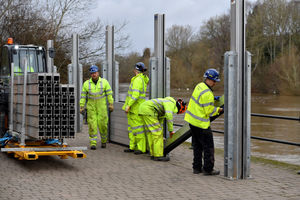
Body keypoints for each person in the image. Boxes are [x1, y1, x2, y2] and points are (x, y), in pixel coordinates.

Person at [184, 68, 223, 175]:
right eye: (214, 81)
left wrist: (213, 98)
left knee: (197, 146)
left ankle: (196, 168)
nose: (215, 83)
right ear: (208, 79)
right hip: (202, 125)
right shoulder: (208, 94)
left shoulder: (199, 86)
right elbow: (209, 111)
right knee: (208, 147)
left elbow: (201, 98)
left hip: (192, 122)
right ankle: (208, 169)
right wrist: (218, 110)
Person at [139, 97, 187, 161]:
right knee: (157, 134)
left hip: (143, 109)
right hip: (149, 111)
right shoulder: (170, 104)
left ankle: (153, 154)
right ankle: (157, 155)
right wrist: (171, 131)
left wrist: (161, 133)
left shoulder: (165, 103)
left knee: (151, 133)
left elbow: (160, 121)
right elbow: (169, 118)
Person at [80, 65, 114, 150]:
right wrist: (81, 106)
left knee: (103, 125)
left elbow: (109, 94)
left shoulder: (104, 82)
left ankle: (103, 141)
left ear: (98, 73)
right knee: (92, 125)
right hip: (91, 108)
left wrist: (111, 104)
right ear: (90, 74)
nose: (94, 74)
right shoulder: (86, 84)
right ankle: (93, 143)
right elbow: (83, 96)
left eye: (95, 73)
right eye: (92, 73)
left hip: (102, 107)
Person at [122, 62, 149, 154]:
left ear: (136, 70)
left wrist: (128, 105)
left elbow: (135, 95)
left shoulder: (138, 80)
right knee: (132, 129)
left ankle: (141, 148)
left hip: (135, 109)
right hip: (134, 109)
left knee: (138, 129)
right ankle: (132, 146)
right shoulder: (139, 79)